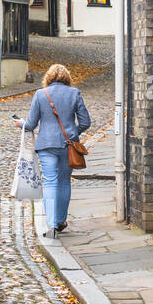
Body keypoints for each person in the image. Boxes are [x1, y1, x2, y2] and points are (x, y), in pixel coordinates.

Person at [12, 63, 91, 239]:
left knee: (50, 182)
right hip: (68, 146)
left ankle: (51, 224)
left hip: (47, 145)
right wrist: (72, 133)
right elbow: (86, 122)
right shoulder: (74, 93)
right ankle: (61, 221)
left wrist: (20, 124)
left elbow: (31, 125)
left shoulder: (41, 94)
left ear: (47, 78)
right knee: (64, 182)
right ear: (67, 78)